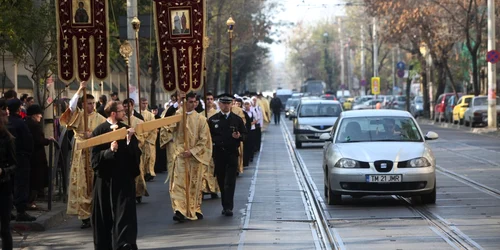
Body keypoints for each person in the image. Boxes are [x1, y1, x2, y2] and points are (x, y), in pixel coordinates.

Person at [91, 100, 141, 250]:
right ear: (113, 113)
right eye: (121, 111)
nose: (124, 112)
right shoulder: (99, 131)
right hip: (105, 180)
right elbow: (94, 160)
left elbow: (136, 154)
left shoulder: (127, 130)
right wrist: (109, 151)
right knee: (104, 215)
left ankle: (123, 243)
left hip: (123, 178)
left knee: (124, 213)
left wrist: (128, 140)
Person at [160, 92, 212, 221]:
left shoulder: (201, 119)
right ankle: (179, 210)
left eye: (195, 102)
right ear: (184, 102)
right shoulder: (177, 115)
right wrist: (176, 104)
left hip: (195, 156)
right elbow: (165, 124)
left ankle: (194, 208)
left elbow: (204, 140)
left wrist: (193, 151)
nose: (193, 104)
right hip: (180, 155)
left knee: (195, 184)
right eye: (190, 102)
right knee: (178, 184)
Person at [60, 81, 106, 229]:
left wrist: (93, 135)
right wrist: (80, 89)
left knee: (95, 182)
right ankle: (85, 215)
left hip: (95, 152)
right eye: (88, 103)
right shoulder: (78, 115)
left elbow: (107, 134)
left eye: (93, 103)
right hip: (81, 153)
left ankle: (96, 211)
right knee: (82, 183)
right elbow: (71, 108)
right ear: (83, 104)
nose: (91, 106)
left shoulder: (100, 118)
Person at [208, 94, 247, 216]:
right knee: (221, 180)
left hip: (231, 154)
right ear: (219, 104)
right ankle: (224, 204)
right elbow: (208, 137)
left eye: (228, 103)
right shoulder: (213, 119)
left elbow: (245, 135)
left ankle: (228, 207)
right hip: (219, 154)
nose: (225, 106)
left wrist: (239, 136)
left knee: (230, 181)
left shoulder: (237, 119)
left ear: (231, 104)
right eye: (223, 103)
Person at [7, 98, 35, 221]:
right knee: (21, 184)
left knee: (10, 184)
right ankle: (21, 211)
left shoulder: (6, 122)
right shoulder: (20, 123)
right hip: (21, 157)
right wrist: (28, 153)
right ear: (18, 109)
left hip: (9, 159)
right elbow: (28, 140)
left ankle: (8, 210)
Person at [25, 105, 54, 210]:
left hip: (30, 156)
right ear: (34, 115)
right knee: (36, 180)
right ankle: (30, 201)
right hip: (36, 157)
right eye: (39, 114)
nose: (41, 116)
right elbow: (38, 140)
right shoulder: (34, 126)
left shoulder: (27, 123)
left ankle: (29, 201)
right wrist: (47, 140)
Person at [122, 98, 147, 203]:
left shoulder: (139, 121)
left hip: (135, 150)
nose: (126, 108)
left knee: (137, 171)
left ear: (132, 106)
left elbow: (143, 136)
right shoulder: (120, 121)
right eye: (125, 106)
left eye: (128, 106)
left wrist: (135, 141)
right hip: (123, 150)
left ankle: (137, 192)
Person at [0, 99, 16, 250]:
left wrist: (3, 171)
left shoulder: (7, 138)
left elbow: (14, 164)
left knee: (4, 229)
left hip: (4, 188)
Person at [139, 98, 157, 182]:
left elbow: (153, 128)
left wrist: (147, 137)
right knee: (141, 157)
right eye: (143, 103)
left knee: (150, 156)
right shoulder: (137, 114)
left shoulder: (151, 115)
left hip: (149, 139)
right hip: (140, 139)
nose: (145, 105)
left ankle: (150, 172)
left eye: (146, 103)